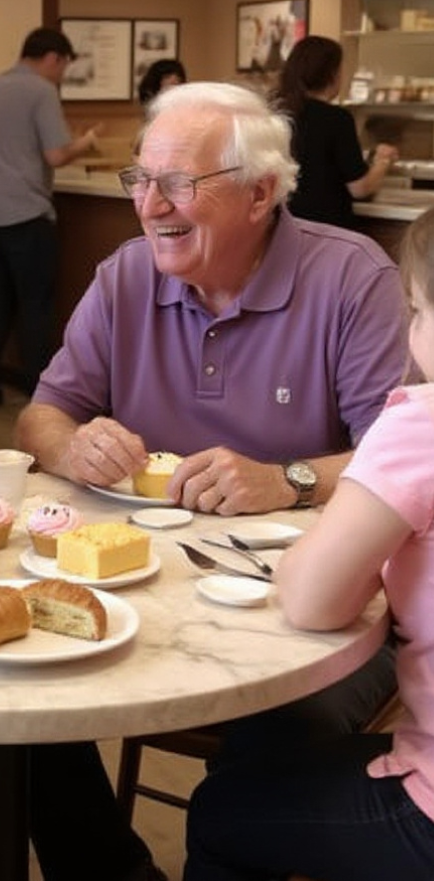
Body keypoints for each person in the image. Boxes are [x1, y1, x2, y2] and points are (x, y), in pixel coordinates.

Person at [16, 81, 404, 772]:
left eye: (177, 183)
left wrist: (287, 480)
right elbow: (41, 415)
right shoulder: (124, 277)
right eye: (140, 179)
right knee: (28, 679)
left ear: (259, 194)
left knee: (273, 742)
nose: (149, 205)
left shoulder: (350, 278)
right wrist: (71, 445)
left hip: (314, 605)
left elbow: (398, 460)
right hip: (152, 585)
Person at [185, 205, 434, 881]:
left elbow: (313, 602)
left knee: (221, 812)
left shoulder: (419, 429)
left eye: (417, 313)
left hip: (429, 816)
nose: (408, 336)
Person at [0, 26, 99, 410]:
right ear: (54, 58)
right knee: (35, 304)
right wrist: (85, 143)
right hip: (23, 210)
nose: (61, 76)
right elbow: (55, 155)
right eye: (63, 67)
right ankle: (43, 395)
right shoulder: (40, 90)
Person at [274, 34, 399, 229]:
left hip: (281, 228)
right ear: (332, 75)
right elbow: (360, 188)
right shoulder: (336, 118)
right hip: (326, 231)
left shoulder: (273, 112)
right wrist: (383, 160)